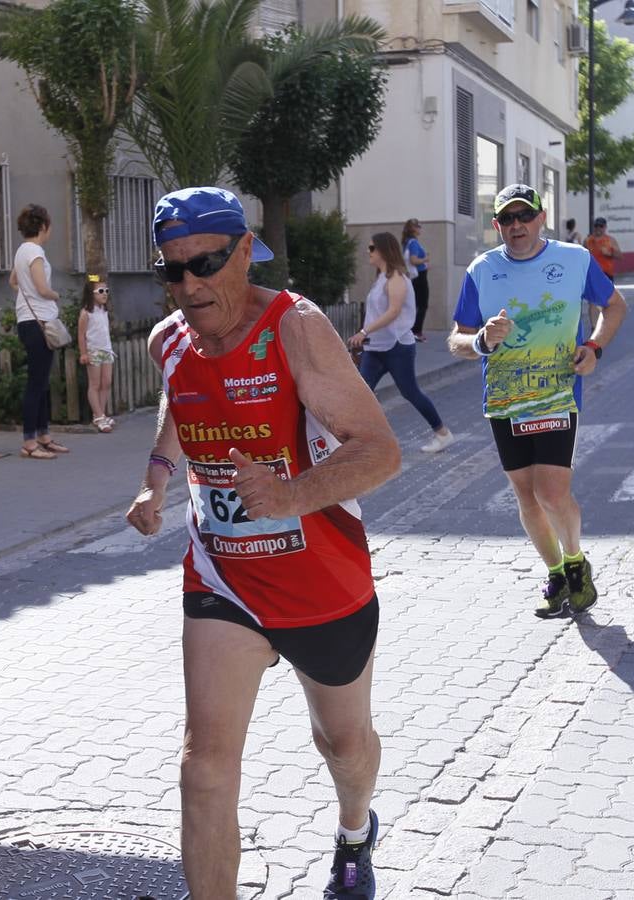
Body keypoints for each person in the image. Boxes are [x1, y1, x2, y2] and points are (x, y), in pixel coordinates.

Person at [126, 186, 402, 900]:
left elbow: (378, 451)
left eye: (205, 264)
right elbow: (175, 398)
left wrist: (288, 496)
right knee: (204, 768)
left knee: (343, 747)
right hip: (223, 579)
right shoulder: (170, 339)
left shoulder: (293, 328)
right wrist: (157, 480)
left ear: (245, 251)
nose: (187, 286)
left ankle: (352, 832)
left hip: (322, 581)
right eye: (172, 270)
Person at [447, 184, 627, 619]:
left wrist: (594, 347)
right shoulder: (481, 270)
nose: (516, 225)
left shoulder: (574, 259)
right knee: (526, 496)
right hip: (505, 401)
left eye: (524, 216)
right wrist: (483, 340)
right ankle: (557, 574)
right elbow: (456, 340)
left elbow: (615, 305)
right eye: (507, 219)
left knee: (551, 491)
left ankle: (575, 559)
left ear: (540, 217)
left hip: (556, 394)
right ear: (496, 226)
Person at [348, 232, 456, 453]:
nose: (367, 253)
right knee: (361, 392)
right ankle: (360, 441)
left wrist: (364, 330)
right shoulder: (382, 278)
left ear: (383, 250)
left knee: (410, 392)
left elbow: (394, 311)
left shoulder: (397, 278)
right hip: (376, 347)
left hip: (397, 347)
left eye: (371, 248)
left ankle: (442, 433)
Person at [9, 203, 69, 459]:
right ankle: (29, 442)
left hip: (28, 321)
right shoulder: (35, 252)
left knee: (41, 381)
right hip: (39, 324)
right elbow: (43, 288)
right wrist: (54, 295)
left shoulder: (22, 251)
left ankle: (43, 436)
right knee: (37, 383)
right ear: (43, 226)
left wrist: (28, 298)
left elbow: (13, 282)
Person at [78, 274, 116, 431]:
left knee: (106, 382)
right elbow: (81, 334)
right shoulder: (86, 313)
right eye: (101, 290)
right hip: (93, 351)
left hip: (107, 350)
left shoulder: (104, 311)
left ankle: (101, 413)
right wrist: (83, 353)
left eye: (106, 290)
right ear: (91, 294)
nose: (105, 293)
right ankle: (99, 416)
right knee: (95, 384)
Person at [401, 218, 431, 341]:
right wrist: (425, 259)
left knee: (417, 304)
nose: (420, 228)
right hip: (419, 276)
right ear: (413, 228)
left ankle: (413, 330)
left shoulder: (408, 242)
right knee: (422, 304)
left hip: (416, 276)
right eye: (418, 226)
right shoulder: (413, 243)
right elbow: (413, 260)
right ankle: (416, 331)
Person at [582, 217, 620, 282]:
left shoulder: (610, 240)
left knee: (607, 292)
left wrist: (610, 254)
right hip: (592, 273)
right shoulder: (587, 240)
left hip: (606, 273)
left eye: (601, 226)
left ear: (605, 227)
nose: (598, 228)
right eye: (596, 226)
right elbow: (582, 257)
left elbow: (620, 256)